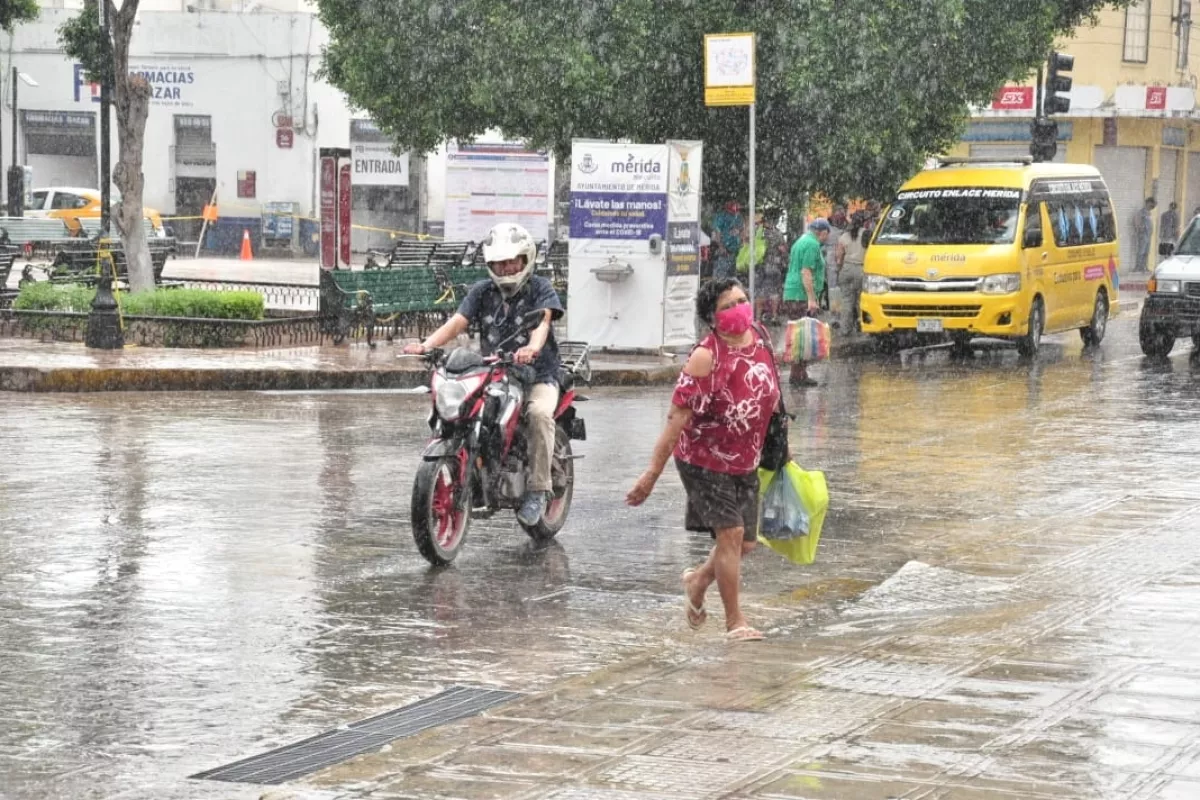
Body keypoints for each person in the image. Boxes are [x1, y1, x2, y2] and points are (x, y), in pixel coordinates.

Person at [626, 278, 781, 642]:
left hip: (747, 459)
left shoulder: (760, 336)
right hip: (704, 461)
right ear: (711, 317)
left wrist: (780, 446)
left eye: (742, 300)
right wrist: (651, 474)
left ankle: (697, 581)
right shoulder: (705, 356)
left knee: (745, 545)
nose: (739, 308)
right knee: (731, 534)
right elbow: (676, 417)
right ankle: (735, 622)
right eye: (728, 305)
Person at [404, 222, 564, 527]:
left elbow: (542, 324)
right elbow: (457, 322)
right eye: (497, 264)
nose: (504, 270)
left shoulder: (540, 288)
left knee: (539, 414)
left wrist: (531, 348)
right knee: (468, 409)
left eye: (510, 262)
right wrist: (426, 346)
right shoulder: (482, 291)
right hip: (496, 371)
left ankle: (539, 490)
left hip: (538, 375)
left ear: (525, 259)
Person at [783, 219, 831, 387]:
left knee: (799, 335)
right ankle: (798, 375)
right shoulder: (812, 244)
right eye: (826, 234)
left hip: (792, 292)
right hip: (800, 295)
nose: (826, 238)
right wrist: (811, 299)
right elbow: (806, 272)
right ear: (822, 232)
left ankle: (799, 373)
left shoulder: (801, 240)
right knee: (802, 336)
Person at [835, 210, 870, 338]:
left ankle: (845, 329)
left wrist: (840, 269)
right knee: (861, 300)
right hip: (862, 270)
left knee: (846, 301)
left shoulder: (844, 236)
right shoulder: (867, 235)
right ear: (863, 222)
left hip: (847, 269)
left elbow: (838, 257)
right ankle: (864, 326)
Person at [758, 207, 787, 323]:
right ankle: (774, 316)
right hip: (773, 265)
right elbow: (783, 249)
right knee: (774, 291)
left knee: (760, 291)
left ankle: (758, 317)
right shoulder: (777, 234)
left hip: (759, 265)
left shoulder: (758, 232)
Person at [1132, 197, 1157, 273]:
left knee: (1146, 252)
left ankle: (1144, 267)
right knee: (1141, 251)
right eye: (1152, 204)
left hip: (1148, 235)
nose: (1153, 206)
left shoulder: (1149, 213)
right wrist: (1140, 229)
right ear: (1148, 203)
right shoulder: (1142, 212)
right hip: (1143, 235)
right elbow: (1136, 221)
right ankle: (1138, 267)